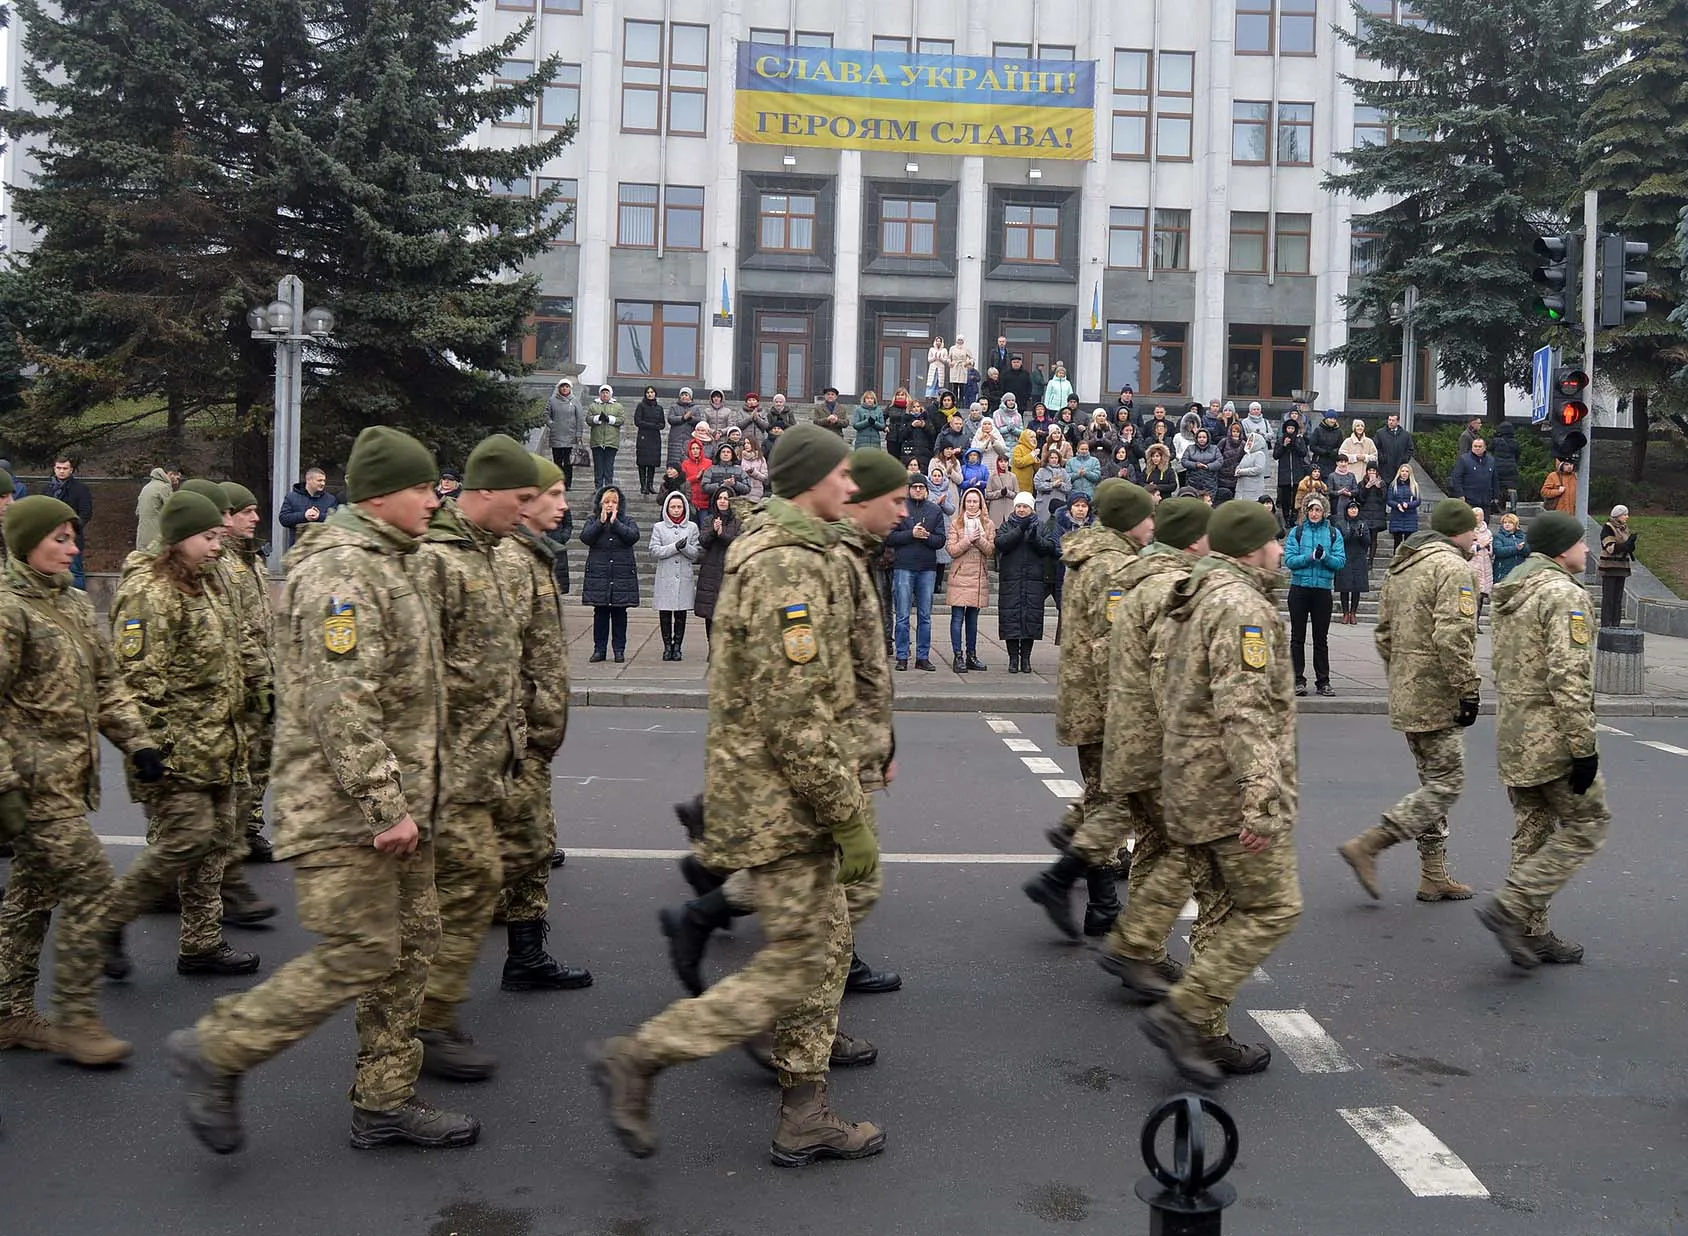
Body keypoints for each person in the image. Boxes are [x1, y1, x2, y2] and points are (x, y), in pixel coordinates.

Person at [169, 425, 483, 1154]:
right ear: (380, 495)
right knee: (363, 953)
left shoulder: (389, 561)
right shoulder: (343, 571)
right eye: (421, 486)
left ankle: (383, 1102)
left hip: (394, 807)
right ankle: (219, 1048)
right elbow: (342, 702)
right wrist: (388, 805)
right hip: (349, 812)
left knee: (410, 949)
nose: (434, 497)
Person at [592, 425, 885, 1167]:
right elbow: (796, 712)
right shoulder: (788, 565)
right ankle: (644, 1055)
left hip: (783, 795)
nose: (852, 486)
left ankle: (804, 1110)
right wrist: (848, 815)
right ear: (811, 479)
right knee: (800, 960)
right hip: (784, 802)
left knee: (822, 951)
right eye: (843, 473)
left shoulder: (800, 549)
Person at [0, 496, 163, 1067]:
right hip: (30, 787)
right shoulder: (8, 610)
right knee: (93, 885)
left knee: (31, 897)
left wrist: (139, 744)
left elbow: (108, 685)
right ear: (27, 544)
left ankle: (8, 1012)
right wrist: (5, 791)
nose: (73, 549)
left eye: (74, 539)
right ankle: (75, 1019)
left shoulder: (69, 602)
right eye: (60, 540)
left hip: (68, 781)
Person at [1141, 501, 1297, 1084]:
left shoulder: (1192, 595)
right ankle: (1186, 1013)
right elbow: (1244, 710)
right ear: (1253, 547)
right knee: (1276, 907)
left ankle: (1207, 1033)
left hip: (1189, 780)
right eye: (1275, 541)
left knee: (1219, 906)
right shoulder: (1240, 605)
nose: (1281, 550)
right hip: (1226, 790)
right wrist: (1261, 795)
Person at [412, 437, 542, 1083]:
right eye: (519, 499)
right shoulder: (437, 560)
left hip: (482, 764)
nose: (525, 511)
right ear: (484, 491)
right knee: (466, 887)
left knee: (470, 887)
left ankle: (422, 1016)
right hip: (442, 771)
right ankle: (425, 1022)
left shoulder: (488, 554)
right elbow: (413, 677)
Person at [102, 491, 258, 981]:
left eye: (218, 535)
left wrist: (259, 691)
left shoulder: (206, 583)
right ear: (178, 539)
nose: (217, 545)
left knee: (215, 844)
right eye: (208, 537)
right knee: (185, 840)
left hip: (219, 743)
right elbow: (136, 682)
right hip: (177, 750)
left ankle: (201, 945)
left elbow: (230, 650)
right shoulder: (149, 593)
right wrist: (151, 750)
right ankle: (108, 918)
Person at [1096, 499, 1223, 1002]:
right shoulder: (1175, 587)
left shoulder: (1136, 577)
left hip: (1129, 734)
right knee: (1190, 846)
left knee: (1156, 842)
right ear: (1194, 539)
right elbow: (1174, 676)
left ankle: (1142, 950)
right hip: (1159, 742)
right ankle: (1136, 941)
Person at [1476, 511, 1608, 969]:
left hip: (1515, 731)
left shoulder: (1514, 591)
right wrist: (1583, 746)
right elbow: (1569, 675)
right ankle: (1512, 907)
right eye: (1580, 543)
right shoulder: (1561, 593)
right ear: (1560, 550)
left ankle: (1531, 933)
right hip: (1551, 735)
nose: (1587, 549)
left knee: (1532, 831)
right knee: (1589, 825)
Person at [1028, 481, 1155, 937]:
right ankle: (1071, 888)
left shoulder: (1095, 557)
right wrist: (1128, 711)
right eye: (1145, 516)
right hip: (1106, 705)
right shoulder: (1111, 566)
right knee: (1113, 803)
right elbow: (1112, 646)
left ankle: (1090, 898)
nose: (1152, 524)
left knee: (1107, 800)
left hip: (1089, 700)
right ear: (1126, 519)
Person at [1338, 499, 1481, 904]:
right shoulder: (1454, 568)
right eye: (1472, 528)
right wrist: (1467, 688)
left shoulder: (1404, 566)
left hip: (1408, 690)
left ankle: (1433, 874)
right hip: (1438, 694)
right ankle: (1371, 843)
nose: (1476, 535)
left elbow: (1383, 634)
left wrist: (1401, 675)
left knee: (1431, 783)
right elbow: (1454, 636)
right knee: (1447, 784)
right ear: (1459, 531)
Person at [493, 453, 591, 993]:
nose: (564, 503)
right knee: (526, 842)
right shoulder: (511, 563)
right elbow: (499, 659)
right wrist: (517, 735)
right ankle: (522, 954)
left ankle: (524, 948)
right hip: (517, 738)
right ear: (524, 500)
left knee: (533, 842)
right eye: (554, 495)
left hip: (532, 735)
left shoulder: (531, 556)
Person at [1283, 495, 1345, 697]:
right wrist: (1310, 558)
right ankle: (1297, 680)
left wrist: (1325, 557)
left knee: (1321, 639)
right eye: (1311, 510)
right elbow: (1290, 561)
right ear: (1306, 511)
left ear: (1324, 512)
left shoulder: (1334, 533)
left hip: (1322, 590)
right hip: (1300, 588)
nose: (1314, 513)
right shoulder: (1297, 532)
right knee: (1297, 637)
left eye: (1318, 510)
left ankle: (1323, 681)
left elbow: (1340, 562)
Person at [886, 475, 944, 671]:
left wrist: (927, 536)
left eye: (921, 487)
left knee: (925, 616)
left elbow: (941, 540)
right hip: (904, 566)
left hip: (927, 568)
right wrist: (911, 534)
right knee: (902, 615)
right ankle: (902, 656)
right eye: (915, 487)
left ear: (927, 490)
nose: (918, 490)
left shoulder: (935, 510)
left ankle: (922, 656)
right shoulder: (900, 509)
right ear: (908, 489)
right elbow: (889, 537)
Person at [996, 493, 1058, 674]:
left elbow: (1049, 547)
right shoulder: (1007, 525)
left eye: (1025, 507)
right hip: (1011, 581)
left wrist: (1033, 537)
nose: (1022, 510)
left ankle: (1026, 659)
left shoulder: (1041, 527)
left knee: (1030, 620)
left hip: (1033, 581)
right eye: (1019, 507)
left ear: (1032, 509)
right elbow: (1000, 543)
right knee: (1011, 621)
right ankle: (1013, 659)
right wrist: (1019, 530)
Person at [580, 485, 640, 663]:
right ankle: (599, 649)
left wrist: (616, 523)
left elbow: (632, 537)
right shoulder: (592, 521)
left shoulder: (628, 521)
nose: (610, 505)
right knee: (600, 614)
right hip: (600, 575)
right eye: (607, 502)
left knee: (620, 614)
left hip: (621, 576)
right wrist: (601, 522)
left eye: (614, 502)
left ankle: (619, 650)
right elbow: (586, 537)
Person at [944, 486, 995, 673]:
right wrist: (967, 540)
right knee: (957, 617)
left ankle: (971, 655)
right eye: (969, 501)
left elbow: (990, 550)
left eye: (975, 501)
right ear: (964, 504)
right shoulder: (956, 524)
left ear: (980, 503)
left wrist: (979, 539)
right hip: (960, 575)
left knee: (972, 619)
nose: (972, 505)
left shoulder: (988, 524)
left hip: (978, 576)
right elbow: (952, 550)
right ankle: (958, 656)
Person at [650, 493, 701, 662]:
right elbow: (654, 550)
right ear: (667, 508)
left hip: (684, 575)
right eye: (673, 507)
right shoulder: (659, 527)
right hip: (666, 575)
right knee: (665, 613)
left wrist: (684, 547)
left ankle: (677, 646)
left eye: (679, 507)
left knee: (680, 614)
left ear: (684, 508)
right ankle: (667, 647)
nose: (676, 510)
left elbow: (695, 553)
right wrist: (674, 547)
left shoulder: (692, 527)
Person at [693, 488, 739, 645]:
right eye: (720, 498)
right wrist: (713, 531)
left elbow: (738, 543)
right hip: (711, 571)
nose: (723, 501)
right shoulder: (709, 520)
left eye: (726, 498)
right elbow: (703, 541)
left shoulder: (738, 521)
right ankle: (712, 647)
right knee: (710, 613)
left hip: (730, 570)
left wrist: (722, 534)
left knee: (729, 613)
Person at [45, 456, 94, 589]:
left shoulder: (80, 489)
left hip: (72, 538)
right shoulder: (48, 489)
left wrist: (71, 530)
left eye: (65, 468)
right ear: (54, 469)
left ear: (71, 470)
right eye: (58, 468)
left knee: (75, 573)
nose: (61, 471)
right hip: (50, 537)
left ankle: (80, 604)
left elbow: (86, 513)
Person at [1333, 499, 1372, 624]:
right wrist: (1350, 534)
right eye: (1351, 508)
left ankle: (1353, 612)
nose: (1353, 510)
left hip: (1359, 557)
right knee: (1345, 586)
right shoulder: (1340, 524)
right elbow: (1338, 541)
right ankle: (1345, 613)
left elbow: (1368, 542)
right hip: (1345, 556)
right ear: (1347, 510)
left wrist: (1361, 535)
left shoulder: (1363, 524)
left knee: (1357, 587)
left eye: (1355, 508)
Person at [279, 467, 339, 547]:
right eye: (319, 480)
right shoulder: (292, 497)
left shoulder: (331, 499)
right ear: (308, 480)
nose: (323, 483)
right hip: (298, 548)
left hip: (321, 548)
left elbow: (336, 520)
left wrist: (319, 516)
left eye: (324, 480)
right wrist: (304, 516)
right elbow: (284, 518)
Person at [548, 379, 586, 488]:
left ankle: (568, 483)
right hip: (557, 436)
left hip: (570, 436)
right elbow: (546, 415)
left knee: (568, 462)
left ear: (570, 388)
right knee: (557, 462)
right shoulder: (552, 400)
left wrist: (579, 434)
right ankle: (558, 483)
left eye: (567, 386)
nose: (565, 388)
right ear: (559, 388)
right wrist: (552, 424)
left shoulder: (575, 401)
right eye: (562, 386)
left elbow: (579, 418)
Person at [135, 463, 182, 549]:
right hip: (156, 539)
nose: (177, 481)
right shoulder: (164, 487)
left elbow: (138, 512)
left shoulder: (147, 487)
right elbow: (173, 511)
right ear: (171, 474)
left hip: (142, 536)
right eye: (177, 478)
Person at [586, 384, 624, 490]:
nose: (605, 394)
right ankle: (598, 487)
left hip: (611, 442)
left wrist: (609, 419)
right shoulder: (593, 405)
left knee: (609, 466)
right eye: (603, 392)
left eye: (607, 392)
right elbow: (588, 419)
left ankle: (608, 487)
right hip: (597, 441)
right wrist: (597, 418)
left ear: (610, 394)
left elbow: (621, 419)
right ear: (600, 394)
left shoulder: (618, 406)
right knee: (598, 466)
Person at [1448, 437, 1499, 512]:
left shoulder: (1491, 460)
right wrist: (1460, 495)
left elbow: (1495, 479)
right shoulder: (1464, 460)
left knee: (1484, 522)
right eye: (1475, 446)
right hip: (1469, 500)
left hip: (1485, 501)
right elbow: (1456, 478)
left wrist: (1495, 496)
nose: (1477, 448)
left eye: (1480, 446)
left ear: (1485, 448)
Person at [632, 387, 666, 496]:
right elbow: (638, 421)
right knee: (642, 462)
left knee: (652, 463)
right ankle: (643, 486)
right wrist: (651, 425)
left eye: (652, 392)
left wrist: (655, 426)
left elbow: (662, 424)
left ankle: (650, 485)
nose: (650, 394)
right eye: (648, 392)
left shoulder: (659, 408)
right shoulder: (641, 406)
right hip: (643, 437)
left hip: (655, 438)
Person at [1273, 420, 1311, 517]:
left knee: (1296, 496)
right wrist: (1284, 446)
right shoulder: (1280, 440)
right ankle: (1285, 516)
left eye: (1292, 428)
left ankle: (1294, 515)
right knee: (1285, 497)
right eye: (1288, 428)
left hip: (1297, 472)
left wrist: (1294, 445)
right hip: (1285, 473)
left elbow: (1303, 453)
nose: (1290, 430)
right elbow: (1276, 455)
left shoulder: (1299, 440)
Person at [1356, 464, 1389, 565]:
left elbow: (1383, 499)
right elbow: (1360, 499)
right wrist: (1367, 487)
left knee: (1374, 537)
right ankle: (1363, 557)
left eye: (1373, 471)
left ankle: (1371, 560)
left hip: (1377, 515)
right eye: (1369, 470)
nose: (1371, 473)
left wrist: (1379, 488)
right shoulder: (1361, 483)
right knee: (1364, 537)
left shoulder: (1382, 483)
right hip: (1365, 514)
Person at [666, 388, 704, 470]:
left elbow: (699, 421)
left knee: (687, 462)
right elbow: (670, 419)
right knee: (673, 462)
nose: (684, 397)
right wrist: (683, 418)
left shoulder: (695, 408)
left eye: (686, 395)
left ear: (690, 397)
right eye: (682, 395)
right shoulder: (674, 407)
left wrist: (690, 418)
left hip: (689, 438)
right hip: (675, 439)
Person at [1470, 506, 1494, 629]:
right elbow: (1468, 549)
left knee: (1481, 596)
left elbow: (1491, 549)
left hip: (1485, 564)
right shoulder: (1469, 530)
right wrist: (1480, 545)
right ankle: (1472, 622)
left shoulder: (1488, 531)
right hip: (1473, 563)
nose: (1476, 517)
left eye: (1478, 515)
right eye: (1474, 515)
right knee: (1473, 595)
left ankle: (1477, 622)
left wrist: (1489, 547)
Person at [1387, 463, 1421, 551]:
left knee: (1408, 544)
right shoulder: (1393, 485)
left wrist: (1408, 505)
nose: (1404, 473)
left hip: (1410, 517)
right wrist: (1397, 505)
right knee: (1397, 543)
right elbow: (1389, 500)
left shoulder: (1414, 485)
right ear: (1399, 472)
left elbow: (1418, 501)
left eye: (1406, 471)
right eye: (1402, 471)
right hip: (1397, 517)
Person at [1375, 412, 1415, 482]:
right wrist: (1382, 458)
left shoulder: (1406, 435)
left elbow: (1410, 449)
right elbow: (1376, 447)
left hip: (1399, 468)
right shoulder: (1380, 433)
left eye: (1393, 420)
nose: (1390, 422)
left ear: (1398, 422)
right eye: (1389, 420)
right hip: (1384, 468)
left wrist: (1404, 459)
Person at [1490, 423, 1521, 511]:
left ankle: (1495, 505)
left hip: (1498, 467)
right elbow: (1518, 455)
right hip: (1511, 467)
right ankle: (1513, 507)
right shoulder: (1515, 443)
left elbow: (1489, 450)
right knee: (1512, 488)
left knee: (1497, 486)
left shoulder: (1496, 441)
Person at [1492, 510, 1529, 582]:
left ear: (1515, 524)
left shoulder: (1523, 536)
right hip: (1503, 571)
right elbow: (1498, 551)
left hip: (1519, 570)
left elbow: (1528, 552)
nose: (1507, 524)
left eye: (1510, 522)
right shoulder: (1499, 536)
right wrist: (1517, 548)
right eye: (1505, 522)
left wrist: (1524, 548)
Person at [1234, 432, 1270, 503]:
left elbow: (1258, 469)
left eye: (1251, 441)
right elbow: (1240, 466)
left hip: (1253, 489)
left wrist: (1241, 472)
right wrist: (1237, 470)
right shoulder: (1246, 455)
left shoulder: (1259, 454)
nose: (1249, 442)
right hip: (1242, 488)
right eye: (1249, 440)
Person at [1307, 412, 1345, 479]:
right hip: (1319, 461)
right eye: (1330, 418)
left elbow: (1341, 447)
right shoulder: (1318, 430)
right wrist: (1324, 452)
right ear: (1326, 419)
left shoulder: (1338, 432)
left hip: (1332, 462)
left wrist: (1334, 452)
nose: (1332, 421)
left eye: (1334, 419)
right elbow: (1312, 446)